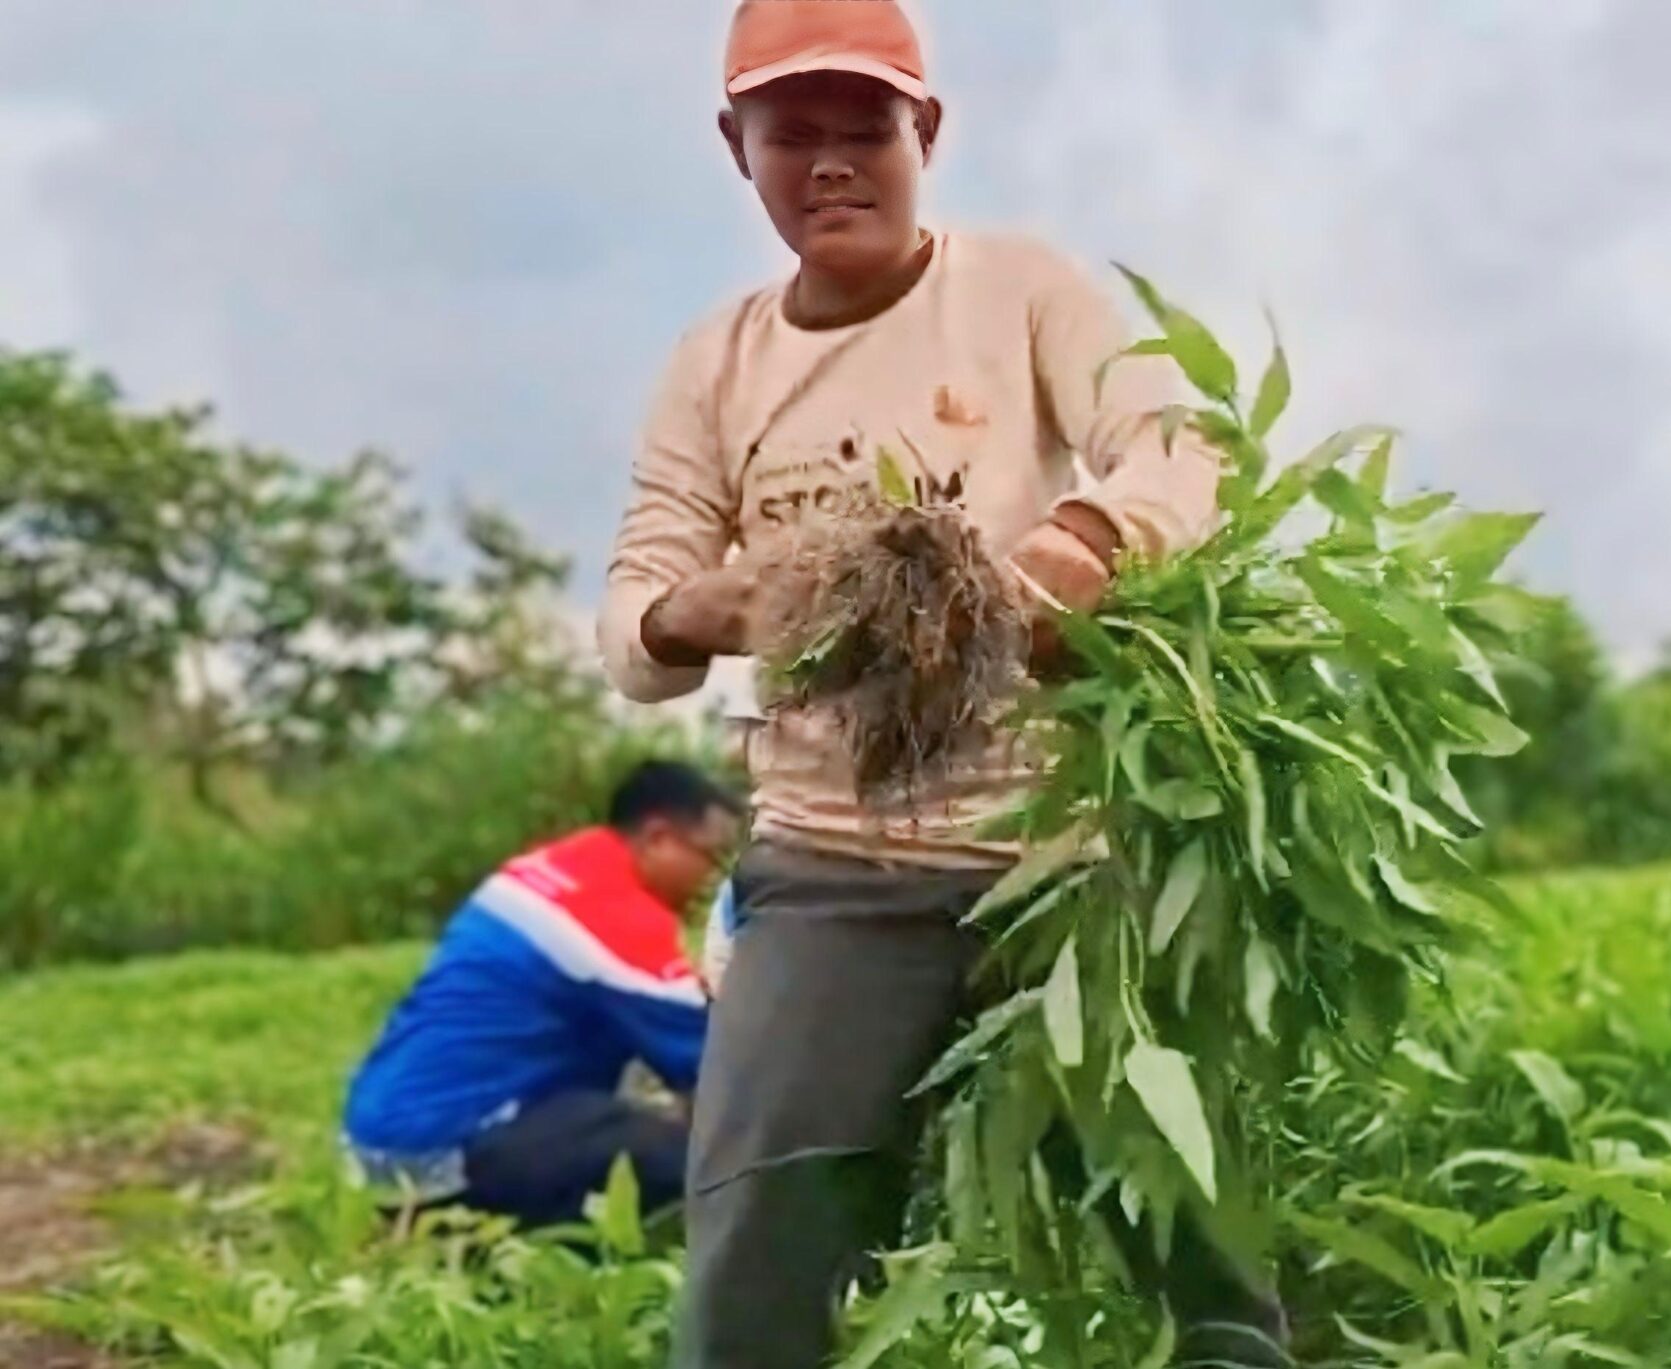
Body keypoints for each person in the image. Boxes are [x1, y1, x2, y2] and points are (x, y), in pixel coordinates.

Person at [597, 4, 1291, 1365]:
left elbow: (1182, 445)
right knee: (756, 1242)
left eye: (868, 129)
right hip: (835, 863)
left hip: (1060, 854)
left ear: (928, 132)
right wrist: (701, 607)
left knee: (1188, 1222)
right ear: (736, 148)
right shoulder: (718, 363)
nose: (834, 163)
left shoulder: (1018, 292)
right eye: (794, 133)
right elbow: (634, 614)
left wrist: (1072, 550)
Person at [339, 760, 741, 1231]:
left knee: (629, 1098)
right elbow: (719, 1062)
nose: (714, 881)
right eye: (711, 858)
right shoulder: (614, 914)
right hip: (436, 1153)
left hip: (378, 1140)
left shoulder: (546, 871)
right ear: (658, 838)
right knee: (690, 1155)